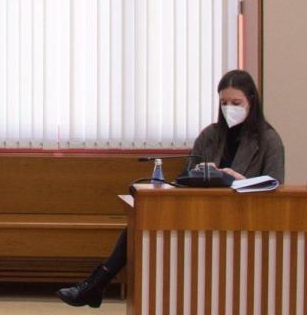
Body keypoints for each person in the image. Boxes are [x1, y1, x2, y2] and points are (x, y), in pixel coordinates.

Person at [56, 69, 285, 308]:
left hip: (244, 222)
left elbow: (275, 186)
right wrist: (202, 173)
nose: (229, 108)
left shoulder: (269, 140)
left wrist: (237, 178)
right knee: (142, 217)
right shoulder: (210, 135)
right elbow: (182, 179)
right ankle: (99, 284)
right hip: (201, 215)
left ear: (251, 101)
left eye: (236, 103)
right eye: (224, 102)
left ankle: (97, 284)